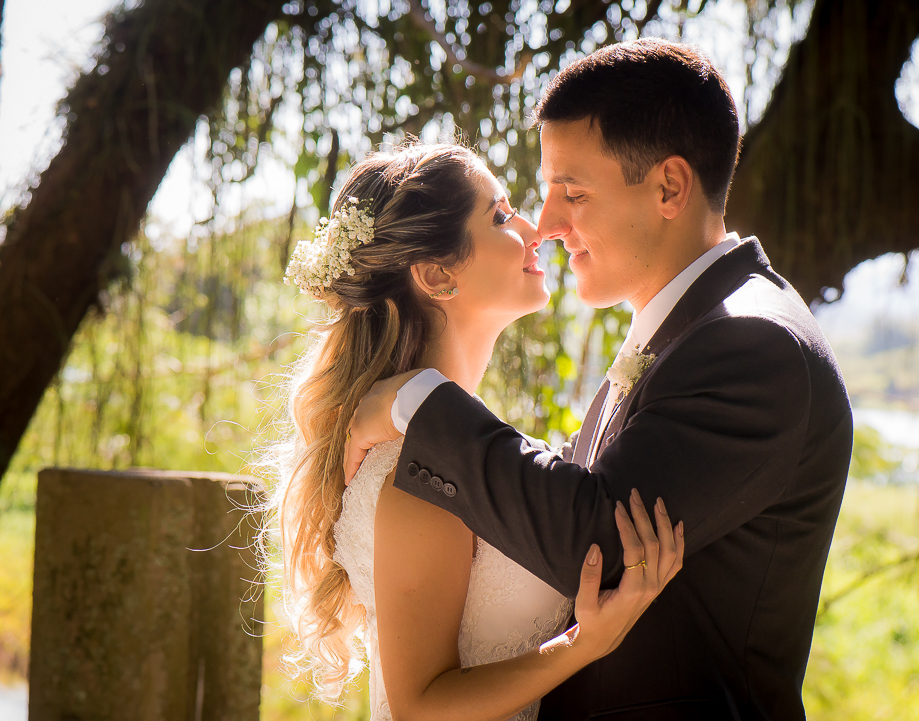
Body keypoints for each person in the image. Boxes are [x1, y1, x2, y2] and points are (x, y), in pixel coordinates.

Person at [342, 39, 854, 720]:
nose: (547, 226)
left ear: (670, 187)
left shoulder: (753, 345)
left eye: (573, 193)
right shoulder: (680, 337)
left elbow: (591, 537)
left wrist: (417, 399)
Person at [270, 142, 685, 721]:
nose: (535, 227)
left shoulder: (452, 447)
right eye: (499, 214)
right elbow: (420, 705)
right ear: (438, 274)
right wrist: (583, 646)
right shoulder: (416, 471)